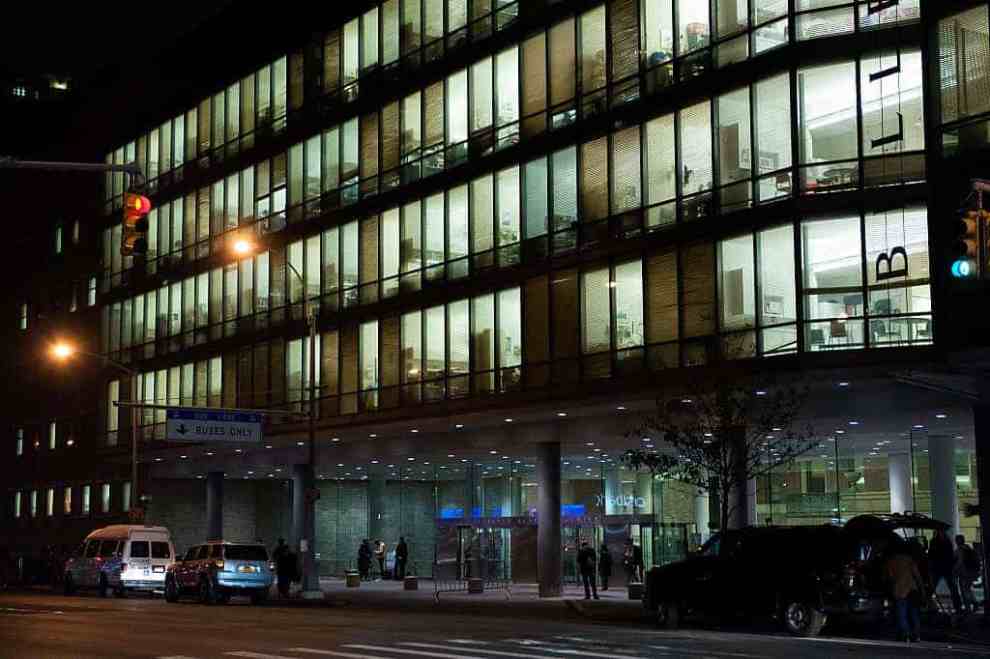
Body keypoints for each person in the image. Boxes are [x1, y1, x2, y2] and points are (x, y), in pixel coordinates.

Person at [886, 544, 925, 643]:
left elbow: (891, 577)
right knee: (914, 613)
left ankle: (906, 634)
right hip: (912, 589)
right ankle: (916, 635)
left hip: (899, 590)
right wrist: (922, 588)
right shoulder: (909, 559)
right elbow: (917, 575)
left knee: (902, 614)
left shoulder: (891, 561)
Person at [929, 528, 961, 613]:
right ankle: (958, 607)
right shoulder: (948, 541)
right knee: (953, 588)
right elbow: (950, 556)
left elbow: (931, 555)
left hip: (936, 568)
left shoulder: (933, 541)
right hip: (947, 568)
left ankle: (928, 605)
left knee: (931, 588)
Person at [955, 534, 981, 613]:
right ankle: (975, 603)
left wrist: (955, 571)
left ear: (957, 541)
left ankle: (968, 608)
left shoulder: (959, 550)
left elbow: (959, 563)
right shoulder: (968, 548)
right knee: (968, 589)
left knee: (964, 591)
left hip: (964, 574)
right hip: (972, 573)